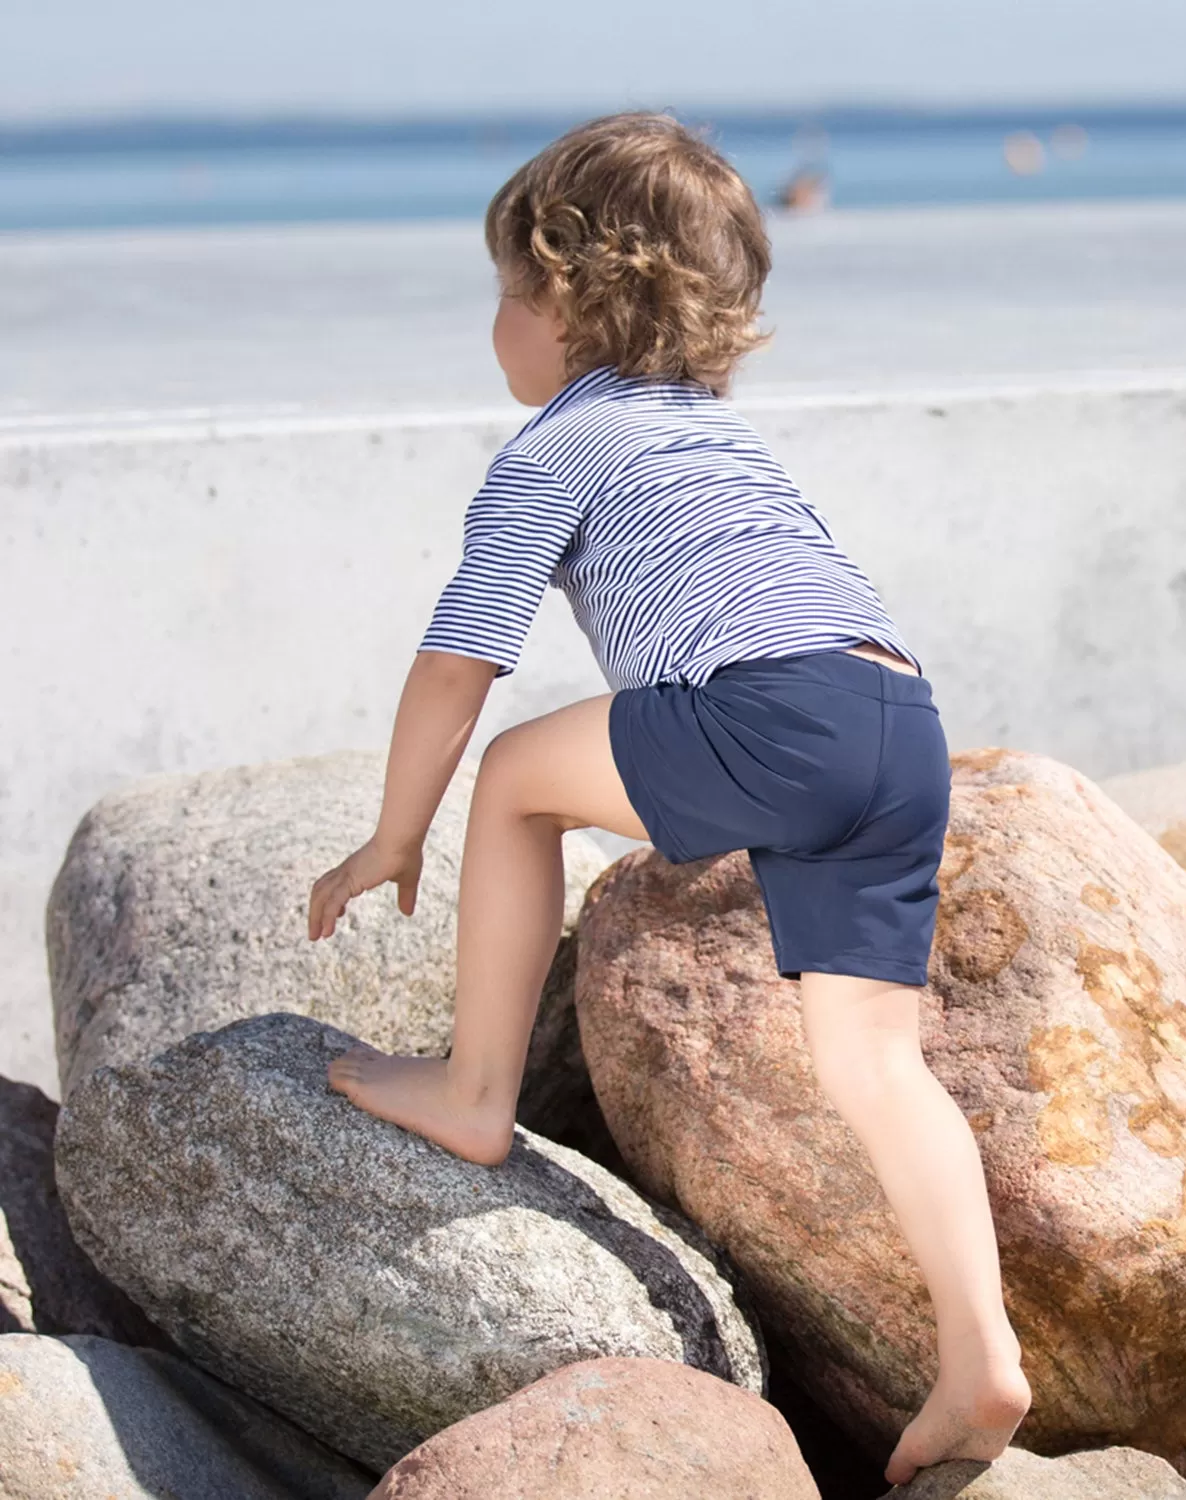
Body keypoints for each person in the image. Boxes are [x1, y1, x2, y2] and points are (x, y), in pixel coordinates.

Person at [305, 109, 1031, 1486]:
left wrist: (396, 833)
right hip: (898, 713)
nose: (496, 322)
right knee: (876, 1062)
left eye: (505, 290)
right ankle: (978, 1352)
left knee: (518, 778)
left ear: (564, 299)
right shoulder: (717, 441)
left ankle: (473, 1091)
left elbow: (460, 659)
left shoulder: (552, 452)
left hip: (774, 711)